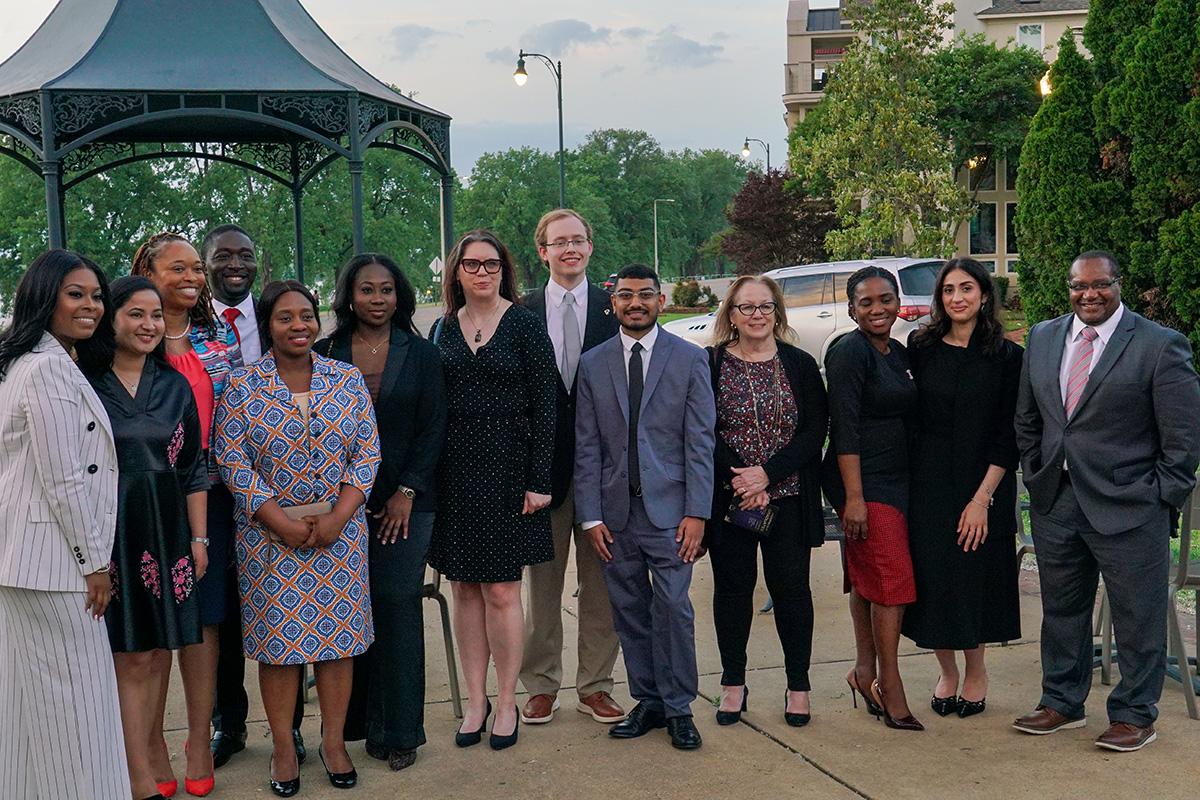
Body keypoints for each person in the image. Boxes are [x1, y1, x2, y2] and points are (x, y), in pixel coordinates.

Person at [1012, 250, 1200, 752]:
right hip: (1057, 500)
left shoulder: (1160, 345)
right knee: (1062, 611)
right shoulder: (1044, 337)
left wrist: (1160, 499)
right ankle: (1062, 702)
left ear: (1120, 285)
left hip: (1131, 507)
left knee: (1138, 616)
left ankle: (1134, 715)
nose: (1088, 294)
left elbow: (1183, 439)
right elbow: (1028, 419)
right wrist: (1036, 473)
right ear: (1068, 288)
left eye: (1100, 284)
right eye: (1079, 285)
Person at [215, 280, 379, 794]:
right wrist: (280, 521)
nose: (299, 326)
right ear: (267, 325)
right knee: (278, 648)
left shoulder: (346, 379)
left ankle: (333, 743)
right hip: (268, 539)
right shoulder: (242, 387)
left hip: (340, 534)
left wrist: (337, 518)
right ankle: (284, 749)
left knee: (337, 646)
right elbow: (231, 459)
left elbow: (367, 453)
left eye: (306, 315)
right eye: (285, 318)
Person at [0, 250, 130, 799]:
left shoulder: (24, 362)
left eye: (97, 295)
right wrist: (94, 563)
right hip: (56, 569)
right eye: (76, 294)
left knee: (29, 713)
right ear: (44, 297)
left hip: (25, 563)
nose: (91, 306)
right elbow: (65, 479)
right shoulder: (48, 367)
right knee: (78, 713)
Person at [575, 263, 716, 751]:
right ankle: (650, 701)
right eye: (626, 296)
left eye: (646, 295)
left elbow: (700, 443)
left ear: (661, 300)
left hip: (673, 514)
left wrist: (698, 512)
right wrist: (589, 516)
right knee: (630, 610)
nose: (636, 303)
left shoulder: (690, 359)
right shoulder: (593, 364)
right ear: (612, 302)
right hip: (614, 516)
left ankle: (679, 707)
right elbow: (587, 446)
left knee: (673, 607)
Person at [315, 254, 447, 771]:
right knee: (351, 610)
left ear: (400, 296)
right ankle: (358, 726)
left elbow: (434, 427)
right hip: (340, 502)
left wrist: (407, 491)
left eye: (386, 290)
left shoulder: (422, 354)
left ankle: (401, 732)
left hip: (406, 505)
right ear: (349, 295)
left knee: (394, 602)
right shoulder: (325, 351)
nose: (377, 299)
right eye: (367, 289)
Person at [427, 230, 556, 752]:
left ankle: (507, 702)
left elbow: (548, 407)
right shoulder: (440, 330)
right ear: (456, 272)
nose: (482, 272)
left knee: (503, 590)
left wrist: (540, 481)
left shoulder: (525, 326)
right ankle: (475, 701)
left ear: (505, 269)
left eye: (492, 264)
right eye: (472, 265)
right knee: (464, 590)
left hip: (509, 470)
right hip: (454, 473)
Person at [81, 276, 211, 799]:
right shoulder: (83, 382)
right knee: (128, 655)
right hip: (107, 530)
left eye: (156, 315)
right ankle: (134, 769)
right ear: (111, 318)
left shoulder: (175, 385)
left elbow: (193, 466)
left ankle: (155, 748)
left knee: (157, 650)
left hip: (168, 528)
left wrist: (199, 539)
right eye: (136, 314)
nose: (149, 325)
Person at [132, 232, 240, 789]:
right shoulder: (126, 338)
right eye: (178, 268)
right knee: (151, 631)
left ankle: (200, 742)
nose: (192, 276)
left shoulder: (217, 337)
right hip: (145, 503)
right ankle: (151, 749)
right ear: (147, 271)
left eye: (196, 268)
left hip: (212, 501)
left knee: (203, 624)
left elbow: (238, 415)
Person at [200, 225, 307, 769]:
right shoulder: (192, 326)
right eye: (223, 256)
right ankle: (229, 723)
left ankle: (290, 730)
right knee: (221, 610)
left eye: (245, 255)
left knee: (285, 609)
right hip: (217, 493)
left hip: (289, 496)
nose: (235, 265)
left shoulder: (279, 320)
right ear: (206, 264)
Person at [902, 258, 1023, 719]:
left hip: (984, 482)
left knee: (975, 578)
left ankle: (976, 672)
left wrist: (981, 499)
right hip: (929, 482)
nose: (957, 298)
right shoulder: (921, 345)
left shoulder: (1008, 356)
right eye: (949, 290)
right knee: (935, 579)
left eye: (967, 288)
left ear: (985, 295)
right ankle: (947, 671)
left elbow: (1009, 433)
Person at [705, 276, 828, 728]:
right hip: (731, 499)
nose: (757, 315)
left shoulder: (798, 362)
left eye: (765, 306)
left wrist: (767, 474)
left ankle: (798, 687)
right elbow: (701, 428)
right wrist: (741, 478)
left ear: (777, 312)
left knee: (793, 591)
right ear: (731, 315)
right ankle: (732, 684)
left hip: (789, 498)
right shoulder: (711, 362)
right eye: (746, 307)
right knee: (733, 592)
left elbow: (814, 431)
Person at [519, 209, 624, 726]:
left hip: (604, 474)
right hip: (542, 477)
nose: (570, 250)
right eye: (559, 242)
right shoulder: (521, 311)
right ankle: (540, 686)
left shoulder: (614, 309)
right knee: (542, 587)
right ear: (543, 251)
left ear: (589, 247)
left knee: (602, 584)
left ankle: (597, 686)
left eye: (578, 240)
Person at [821, 265, 922, 732]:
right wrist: (854, 499)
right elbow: (843, 426)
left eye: (886, 299)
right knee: (892, 582)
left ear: (898, 302)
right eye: (867, 302)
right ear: (851, 309)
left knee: (869, 580)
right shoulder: (848, 352)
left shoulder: (896, 351)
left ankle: (864, 672)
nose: (878, 309)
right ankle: (890, 683)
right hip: (863, 483)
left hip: (897, 480)